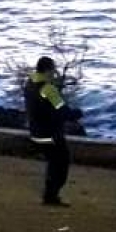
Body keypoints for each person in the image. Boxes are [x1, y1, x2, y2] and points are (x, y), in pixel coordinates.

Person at [23, 56, 82, 206]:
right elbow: (62, 110)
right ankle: (51, 196)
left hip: (35, 132)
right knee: (62, 164)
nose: (55, 72)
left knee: (53, 162)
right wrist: (77, 114)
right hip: (51, 133)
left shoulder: (29, 84)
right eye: (53, 69)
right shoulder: (48, 89)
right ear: (48, 70)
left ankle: (49, 195)